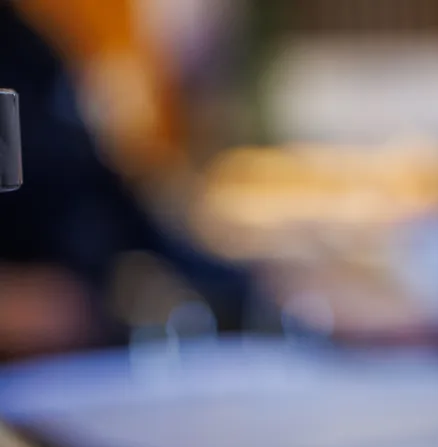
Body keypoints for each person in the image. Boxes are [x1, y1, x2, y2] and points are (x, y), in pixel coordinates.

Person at [0, 1, 258, 359]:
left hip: (94, 341)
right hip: (33, 358)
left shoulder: (30, 43)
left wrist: (260, 293)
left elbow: (109, 197)